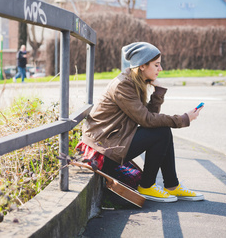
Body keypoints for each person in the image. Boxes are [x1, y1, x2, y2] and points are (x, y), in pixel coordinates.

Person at [81, 42, 204, 203]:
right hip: (103, 149)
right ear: (142, 66)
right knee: (162, 132)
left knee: (162, 130)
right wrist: (182, 119)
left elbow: (149, 117)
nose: (160, 69)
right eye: (156, 65)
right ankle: (147, 186)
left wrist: (158, 93)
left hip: (112, 141)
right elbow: (147, 120)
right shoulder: (123, 85)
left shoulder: (134, 82)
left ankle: (172, 186)